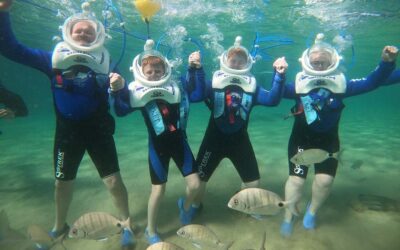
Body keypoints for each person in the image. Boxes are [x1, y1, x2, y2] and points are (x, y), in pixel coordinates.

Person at [0, 1, 135, 247]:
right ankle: (58, 226)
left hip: (98, 131)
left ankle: (126, 223)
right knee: (61, 183)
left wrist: (120, 87)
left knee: (114, 182)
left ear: (98, 36)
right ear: (68, 33)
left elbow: (122, 103)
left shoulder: (106, 61)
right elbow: (10, 48)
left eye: (89, 32)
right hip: (67, 133)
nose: (83, 34)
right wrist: (3, 12)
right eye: (78, 31)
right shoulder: (52, 59)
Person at [279, 33, 398, 237]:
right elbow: (274, 92)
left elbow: (372, 82)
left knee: (324, 181)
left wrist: (386, 63)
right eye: (315, 63)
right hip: (301, 139)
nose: (319, 67)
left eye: (323, 63)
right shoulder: (299, 86)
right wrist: (278, 74)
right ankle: (288, 216)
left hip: (328, 140)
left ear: (332, 62)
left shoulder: (342, 85)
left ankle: (311, 213)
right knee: (297, 181)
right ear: (306, 63)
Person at [110, 39, 202, 245]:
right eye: (149, 72)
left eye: (158, 71)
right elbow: (122, 110)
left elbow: (195, 92)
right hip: (157, 147)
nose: (153, 75)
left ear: (165, 70)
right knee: (158, 191)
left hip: (179, 142)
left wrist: (194, 68)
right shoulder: (137, 90)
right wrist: (117, 90)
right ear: (141, 73)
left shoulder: (176, 85)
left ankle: (185, 206)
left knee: (195, 185)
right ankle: (152, 230)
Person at [188, 36, 288, 216]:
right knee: (199, 181)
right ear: (225, 61)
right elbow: (196, 96)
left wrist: (279, 75)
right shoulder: (215, 82)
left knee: (253, 183)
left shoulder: (252, 86)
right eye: (232, 61)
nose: (235, 64)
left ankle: (242, 202)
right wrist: (197, 70)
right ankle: (196, 207)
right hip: (213, 140)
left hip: (239, 141)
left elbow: (272, 100)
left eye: (240, 62)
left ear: (247, 63)